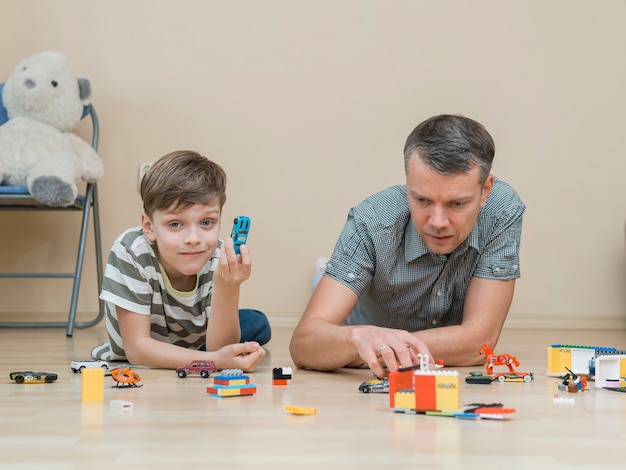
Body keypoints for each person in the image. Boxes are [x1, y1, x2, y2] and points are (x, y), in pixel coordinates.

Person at [289, 114, 525, 378]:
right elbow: (304, 345)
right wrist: (359, 336)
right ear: (408, 184)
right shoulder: (373, 219)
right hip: (358, 322)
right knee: (330, 300)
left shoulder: (502, 210)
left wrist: (387, 346)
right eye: (422, 199)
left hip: (371, 349)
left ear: (485, 191)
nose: (438, 222)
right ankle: (328, 274)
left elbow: (478, 345)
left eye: (456, 204)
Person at [91, 150, 271, 371]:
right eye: (175, 224)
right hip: (147, 351)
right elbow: (137, 351)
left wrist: (228, 287)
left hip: (198, 342)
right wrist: (215, 361)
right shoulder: (130, 251)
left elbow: (220, 349)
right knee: (253, 325)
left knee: (259, 323)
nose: (194, 239)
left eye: (207, 222)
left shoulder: (217, 255)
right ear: (149, 227)